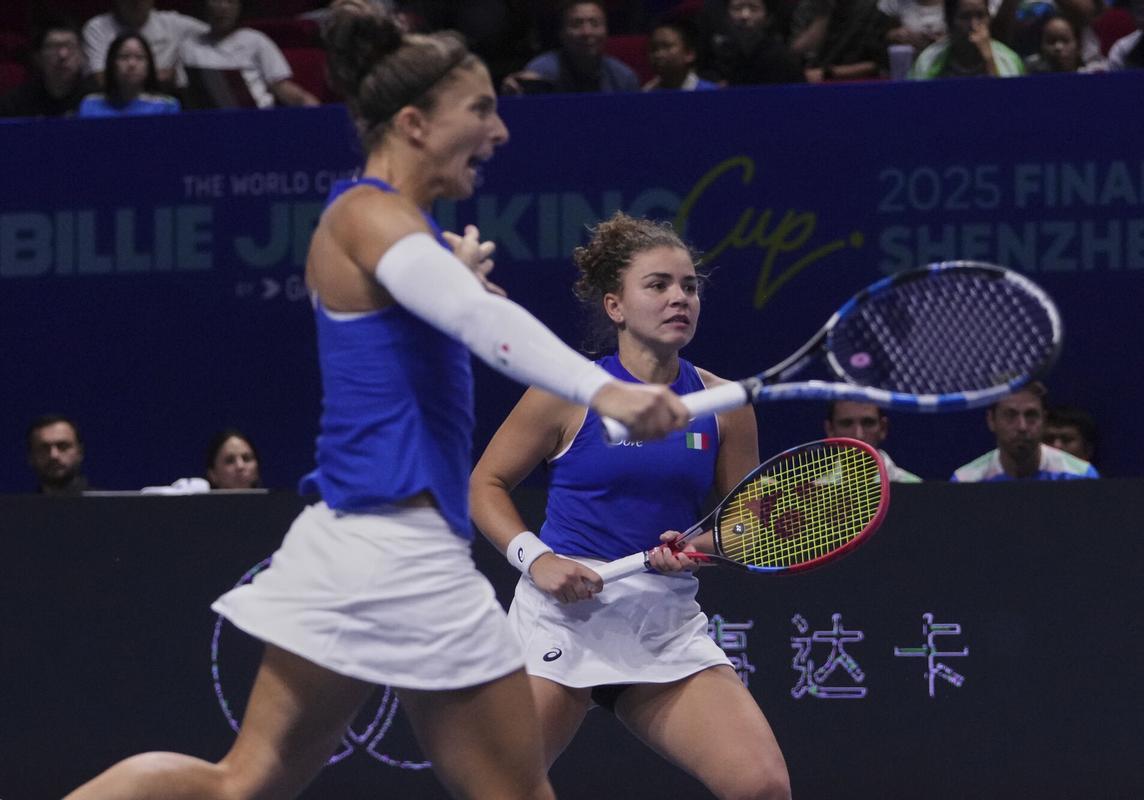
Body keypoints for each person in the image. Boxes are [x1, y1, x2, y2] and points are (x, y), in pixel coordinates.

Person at [65, 5, 687, 799]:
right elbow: (477, 318)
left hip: (358, 540)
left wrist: (453, 273)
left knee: (243, 783)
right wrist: (606, 389)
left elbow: (445, 305)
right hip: (399, 548)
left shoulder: (397, 229)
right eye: (481, 110)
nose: (499, 133)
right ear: (415, 123)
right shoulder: (368, 214)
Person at [469, 212, 792, 800]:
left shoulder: (724, 405)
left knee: (761, 787)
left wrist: (693, 548)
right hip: (561, 621)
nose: (680, 298)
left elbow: (740, 525)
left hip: (661, 626)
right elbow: (483, 485)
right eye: (659, 285)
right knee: (502, 790)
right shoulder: (565, 393)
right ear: (615, 306)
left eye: (690, 286)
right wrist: (538, 560)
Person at [180, 0, 320, 109]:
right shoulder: (190, 45)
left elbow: (281, 86)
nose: (223, 7)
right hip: (209, 120)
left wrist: (318, 111)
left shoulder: (256, 40)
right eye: (216, 1)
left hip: (256, 119)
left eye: (231, 2)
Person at [951, 383, 1098, 481]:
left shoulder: (1082, 476)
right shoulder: (966, 480)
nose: (1022, 426)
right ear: (991, 421)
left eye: (1031, 415)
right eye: (1010, 415)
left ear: (1044, 420)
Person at [501, 1, 639, 95]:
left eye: (595, 24)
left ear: (606, 31)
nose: (587, 32)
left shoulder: (624, 78)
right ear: (561, 34)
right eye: (576, 24)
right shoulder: (540, 72)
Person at [82, 0, 207, 90]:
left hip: (167, 100)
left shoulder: (175, 24)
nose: (136, 3)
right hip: (115, 103)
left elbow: (219, 34)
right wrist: (159, 76)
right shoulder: (97, 27)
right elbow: (100, 80)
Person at [0, 16, 98, 118]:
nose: (62, 55)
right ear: (38, 57)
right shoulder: (14, 104)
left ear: (82, 55)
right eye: (53, 47)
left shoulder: (96, 99)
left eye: (70, 46)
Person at [910, 0, 1025, 77]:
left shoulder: (1008, 61)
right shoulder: (928, 60)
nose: (974, 25)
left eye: (980, 16)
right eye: (965, 17)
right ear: (950, 21)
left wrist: (989, 60)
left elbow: (1008, 105)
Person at [78, 32, 181, 117]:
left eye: (140, 57)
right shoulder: (90, 104)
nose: (132, 64)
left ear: (149, 65)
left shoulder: (167, 106)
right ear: (112, 63)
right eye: (124, 57)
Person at [789, 0, 894, 82]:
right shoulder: (806, 8)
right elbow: (794, 52)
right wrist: (822, 16)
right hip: (809, 83)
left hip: (856, 85)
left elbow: (878, 64)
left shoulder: (871, 10)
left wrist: (828, 73)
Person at [706, 0, 802, 85]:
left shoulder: (782, 59)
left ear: (768, 18)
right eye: (737, 8)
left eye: (754, 8)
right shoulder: (718, 56)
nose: (744, 16)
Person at [823, 400, 921, 482]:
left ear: (883, 428)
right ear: (830, 430)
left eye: (868, 423)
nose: (859, 435)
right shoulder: (813, 494)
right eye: (846, 424)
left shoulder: (917, 488)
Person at [643, 18, 720, 90]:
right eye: (654, 48)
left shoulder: (710, 92)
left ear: (689, 54)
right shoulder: (647, 93)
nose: (658, 55)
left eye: (667, 46)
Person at [27, 414, 90, 495]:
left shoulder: (106, 505)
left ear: (80, 452)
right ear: (31, 456)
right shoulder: (17, 507)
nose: (54, 455)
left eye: (63, 446)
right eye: (44, 448)